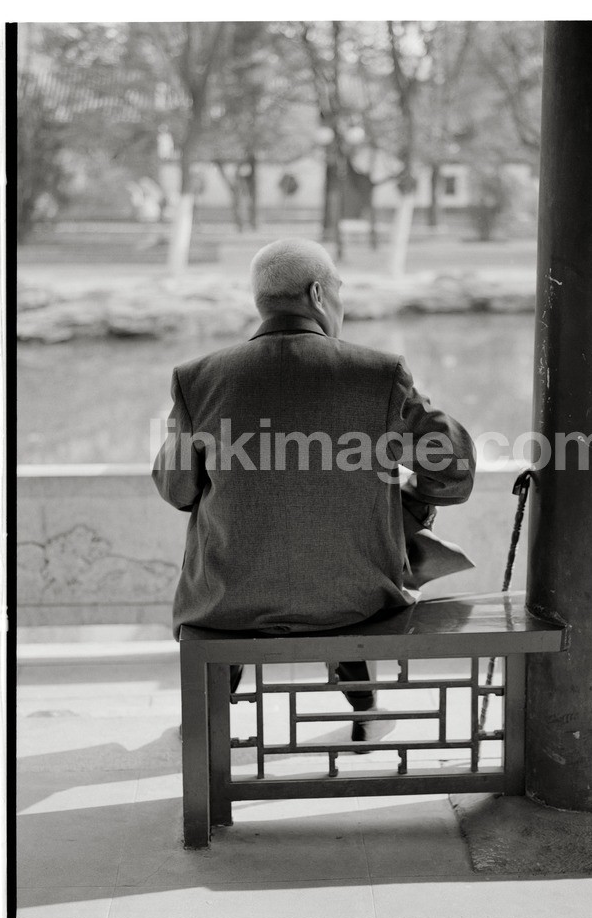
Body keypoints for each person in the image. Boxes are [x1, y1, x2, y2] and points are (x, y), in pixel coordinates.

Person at [152, 238, 476, 748]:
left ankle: (207, 719)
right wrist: (409, 508)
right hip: (356, 598)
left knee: (237, 556)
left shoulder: (198, 379)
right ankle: (366, 709)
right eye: (340, 290)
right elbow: (454, 469)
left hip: (229, 600)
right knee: (341, 552)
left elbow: (177, 489)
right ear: (318, 293)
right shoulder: (379, 375)